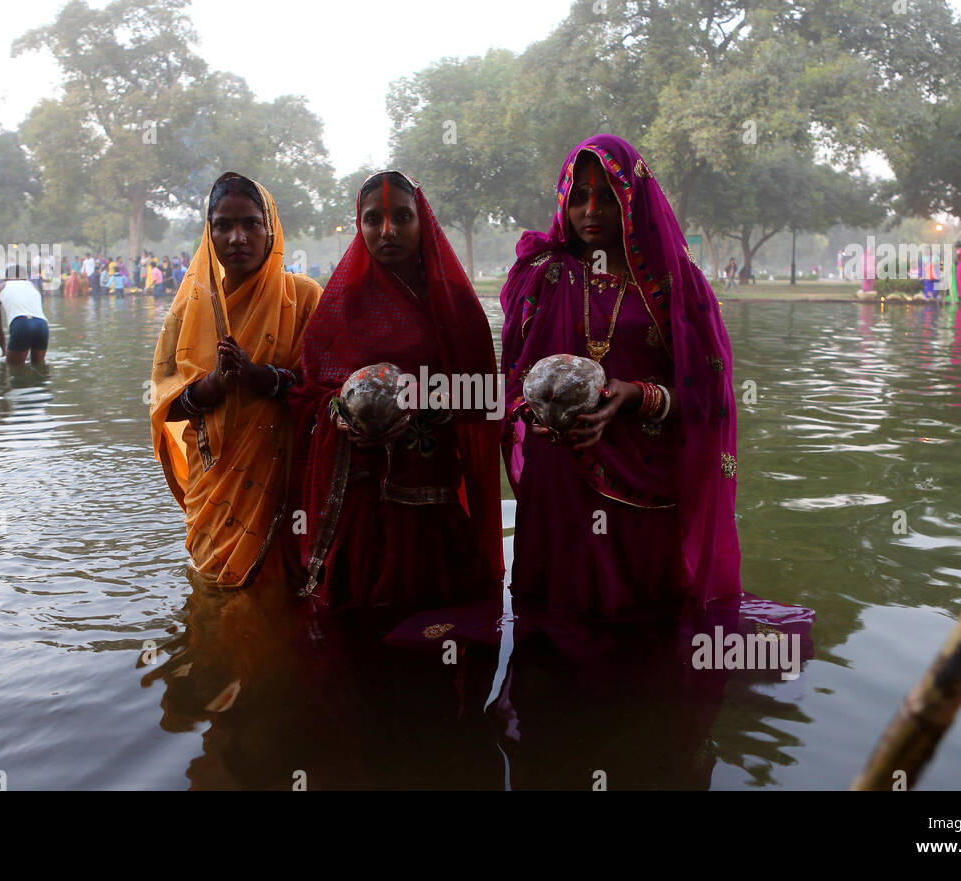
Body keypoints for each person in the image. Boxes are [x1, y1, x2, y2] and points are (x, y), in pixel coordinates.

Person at [501, 134, 741, 620]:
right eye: (579, 195)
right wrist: (535, 411)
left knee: (639, 625)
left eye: (606, 195)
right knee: (551, 622)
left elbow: (707, 395)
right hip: (560, 469)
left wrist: (635, 396)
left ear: (632, 198)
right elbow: (513, 378)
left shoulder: (674, 285)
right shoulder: (543, 276)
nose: (591, 209)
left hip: (643, 475)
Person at [289, 170, 503, 614]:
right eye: (373, 219)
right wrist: (341, 416)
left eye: (402, 217)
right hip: (361, 495)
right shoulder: (343, 301)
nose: (387, 231)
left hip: (431, 492)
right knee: (359, 624)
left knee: (437, 621)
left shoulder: (453, 302)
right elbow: (311, 393)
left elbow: (484, 395)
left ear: (422, 221)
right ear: (359, 225)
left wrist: (421, 404)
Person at [151, 172, 322, 588]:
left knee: (282, 600)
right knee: (217, 597)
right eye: (223, 226)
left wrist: (261, 378)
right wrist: (213, 385)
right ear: (209, 233)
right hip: (214, 488)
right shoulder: (188, 310)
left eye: (250, 223)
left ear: (270, 228)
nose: (237, 237)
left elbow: (324, 393)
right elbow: (164, 406)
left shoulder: (303, 299)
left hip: (284, 483)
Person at [0, 262, 49, 366]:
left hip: (21, 324)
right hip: (42, 325)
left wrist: (4, 350)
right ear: (25, 277)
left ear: (6, 277)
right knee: (39, 367)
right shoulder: (35, 288)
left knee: (14, 369)